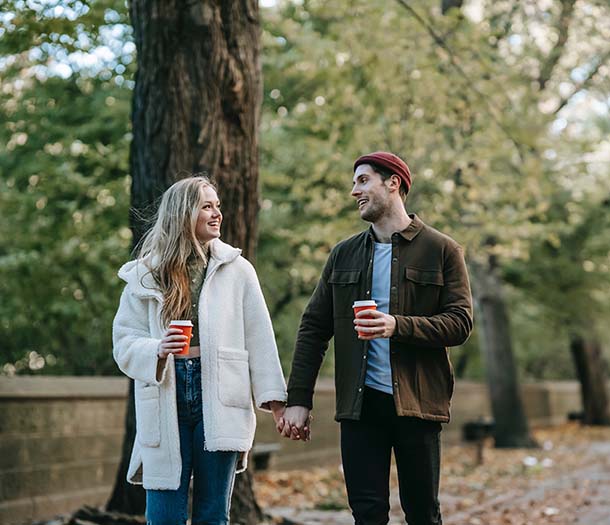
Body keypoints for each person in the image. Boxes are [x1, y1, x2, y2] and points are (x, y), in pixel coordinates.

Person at [279, 152, 473, 525]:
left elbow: (460, 323)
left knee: (422, 513)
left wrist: (397, 325)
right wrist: (298, 400)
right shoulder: (343, 254)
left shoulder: (442, 250)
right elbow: (313, 328)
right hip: (360, 407)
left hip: (417, 403)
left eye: (363, 180)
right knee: (366, 514)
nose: (355, 191)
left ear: (393, 183)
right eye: (355, 183)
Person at [113, 175, 287, 525]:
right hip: (165, 393)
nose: (217, 213)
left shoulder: (237, 270)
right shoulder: (145, 274)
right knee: (162, 516)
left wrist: (277, 402)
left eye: (217, 206)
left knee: (212, 514)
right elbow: (123, 341)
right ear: (182, 213)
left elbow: (260, 337)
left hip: (221, 393)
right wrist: (158, 349)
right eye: (207, 206)